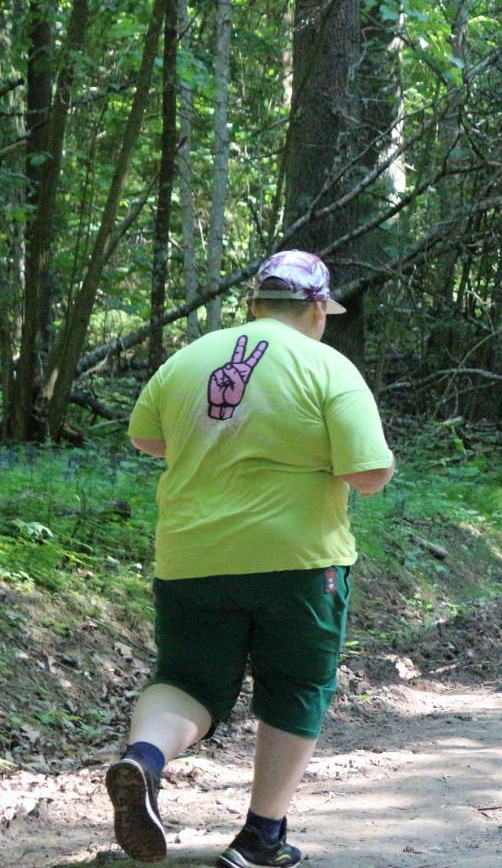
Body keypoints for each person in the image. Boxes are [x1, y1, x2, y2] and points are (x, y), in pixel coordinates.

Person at [109, 251, 395, 867]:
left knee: (187, 680)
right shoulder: (327, 366)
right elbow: (367, 473)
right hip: (297, 560)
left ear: (255, 305)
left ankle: (145, 759)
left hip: (190, 556)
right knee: (295, 686)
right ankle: (261, 837)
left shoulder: (188, 359)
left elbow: (147, 437)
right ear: (318, 308)